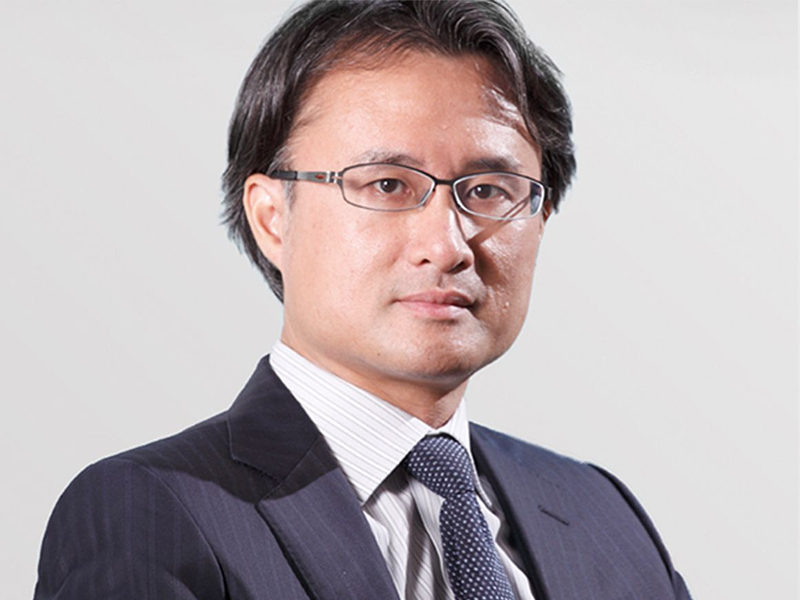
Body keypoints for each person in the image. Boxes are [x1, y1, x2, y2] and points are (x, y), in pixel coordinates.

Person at [34, 1, 692, 599]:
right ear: (272, 218)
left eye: (488, 191)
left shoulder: (604, 518)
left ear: (541, 218)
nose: (447, 246)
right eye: (386, 185)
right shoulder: (151, 514)